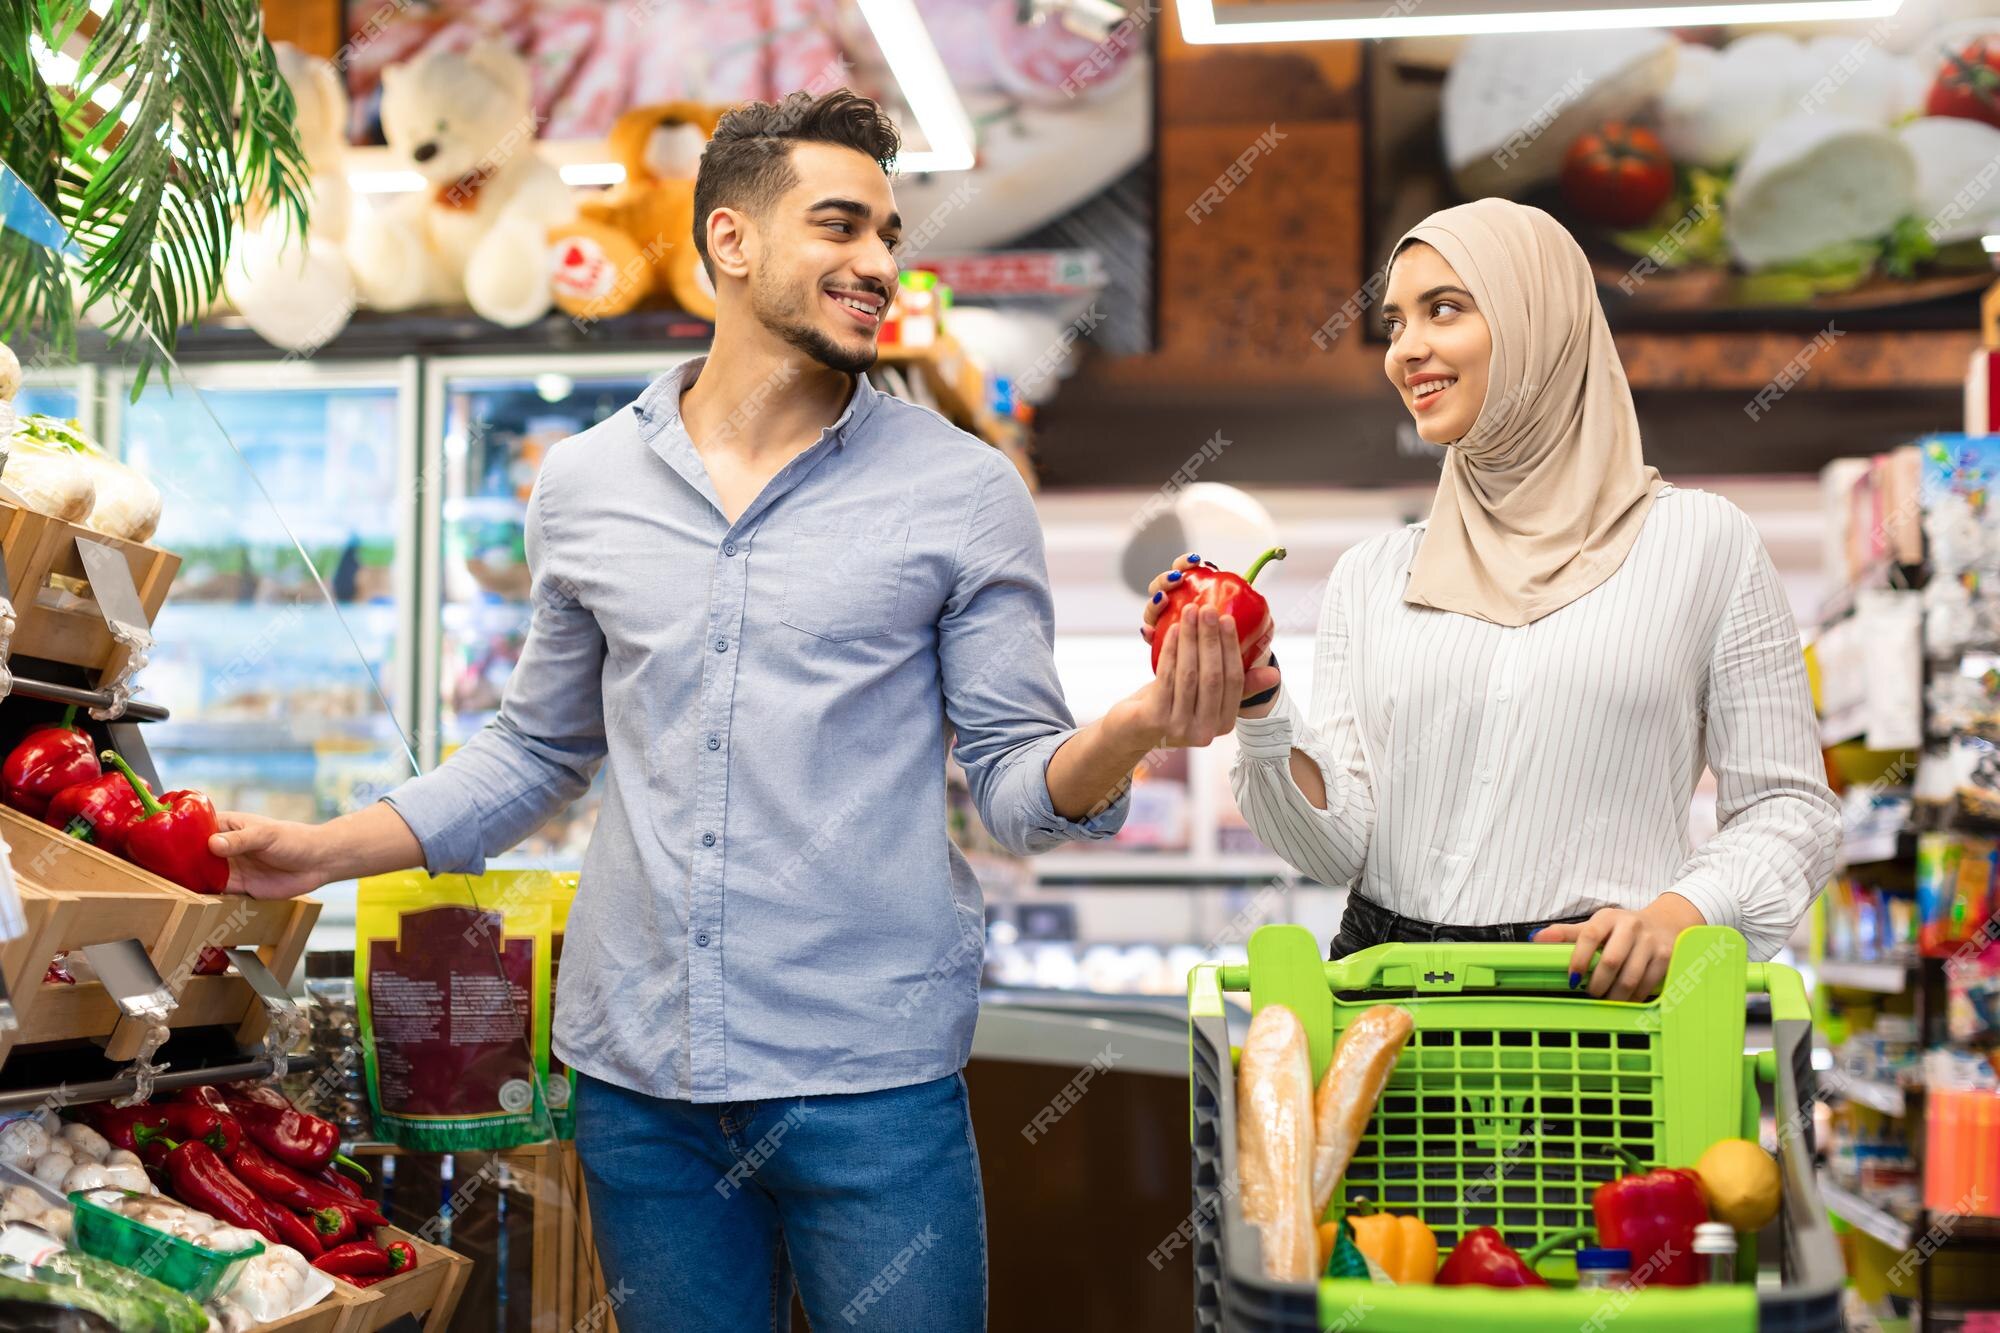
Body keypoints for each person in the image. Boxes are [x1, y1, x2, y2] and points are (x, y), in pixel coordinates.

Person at [206, 90, 1251, 1331]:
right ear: (730, 240)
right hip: (640, 1085)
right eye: (839, 226)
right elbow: (536, 746)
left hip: (870, 1086)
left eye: (887, 234)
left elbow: (1020, 788)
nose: (876, 263)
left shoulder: (961, 493)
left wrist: (1134, 725)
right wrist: (324, 849)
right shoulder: (587, 484)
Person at [1142, 198, 1839, 1000]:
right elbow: (1340, 848)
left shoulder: (1704, 545)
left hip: (1600, 995)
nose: (1407, 349)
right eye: (1396, 322)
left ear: (1541, 320)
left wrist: (1681, 913)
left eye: (1444, 310)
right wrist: (1261, 704)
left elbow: (1791, 808)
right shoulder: (1372, 577)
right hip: (1387, 994)